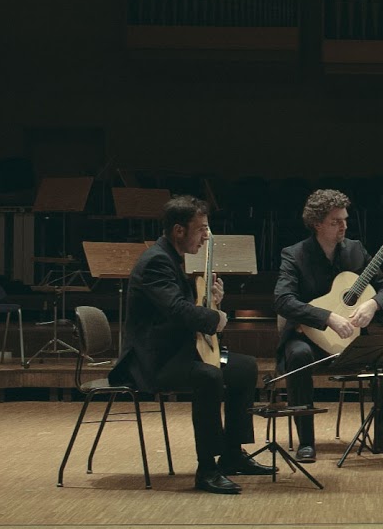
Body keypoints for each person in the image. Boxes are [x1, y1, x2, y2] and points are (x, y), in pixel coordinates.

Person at [109, 195, 274, 494]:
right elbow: (176, 310)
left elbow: (181, 310)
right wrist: (216, 318)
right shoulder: (156, 262)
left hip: (178, 351)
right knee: (209, 376)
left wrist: (212, 301)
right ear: (179, 230)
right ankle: (207, 468)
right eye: (201, 229)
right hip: (153, 361)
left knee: (244, 368)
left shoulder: (171, 257)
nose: (206, 235)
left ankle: (232, 455)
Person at [273, 189, 383, 463]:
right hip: (310, 341)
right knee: (297, 356)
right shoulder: (295, 255)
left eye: (345, 220)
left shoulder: (355, 250)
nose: (343, 226)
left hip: (351, 343)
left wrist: (373, 305)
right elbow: (283, 300)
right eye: (336, 221)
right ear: (317, 224)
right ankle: (306, 443)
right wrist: (327, 317)